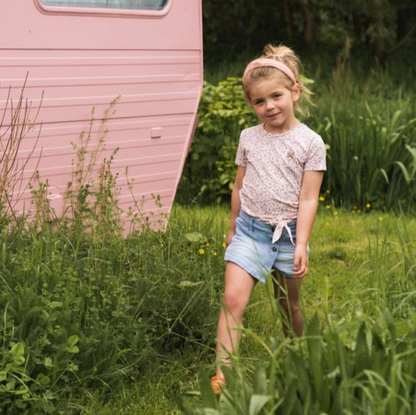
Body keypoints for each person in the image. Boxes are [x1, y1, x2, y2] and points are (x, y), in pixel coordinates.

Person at [210, 44, 326, 394]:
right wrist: (232, 227)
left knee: (288, 306)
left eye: (275, 96)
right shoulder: (249, 137)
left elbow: (308, 198)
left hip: (289, 236)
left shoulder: (310, 142)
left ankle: (299, 359)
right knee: (232, 300)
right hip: (249, 230)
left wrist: (302, 242)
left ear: (294, 92)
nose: (269, 106)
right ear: (251, 104)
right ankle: (222, 374)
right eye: (259, 102)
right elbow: (239, 187)